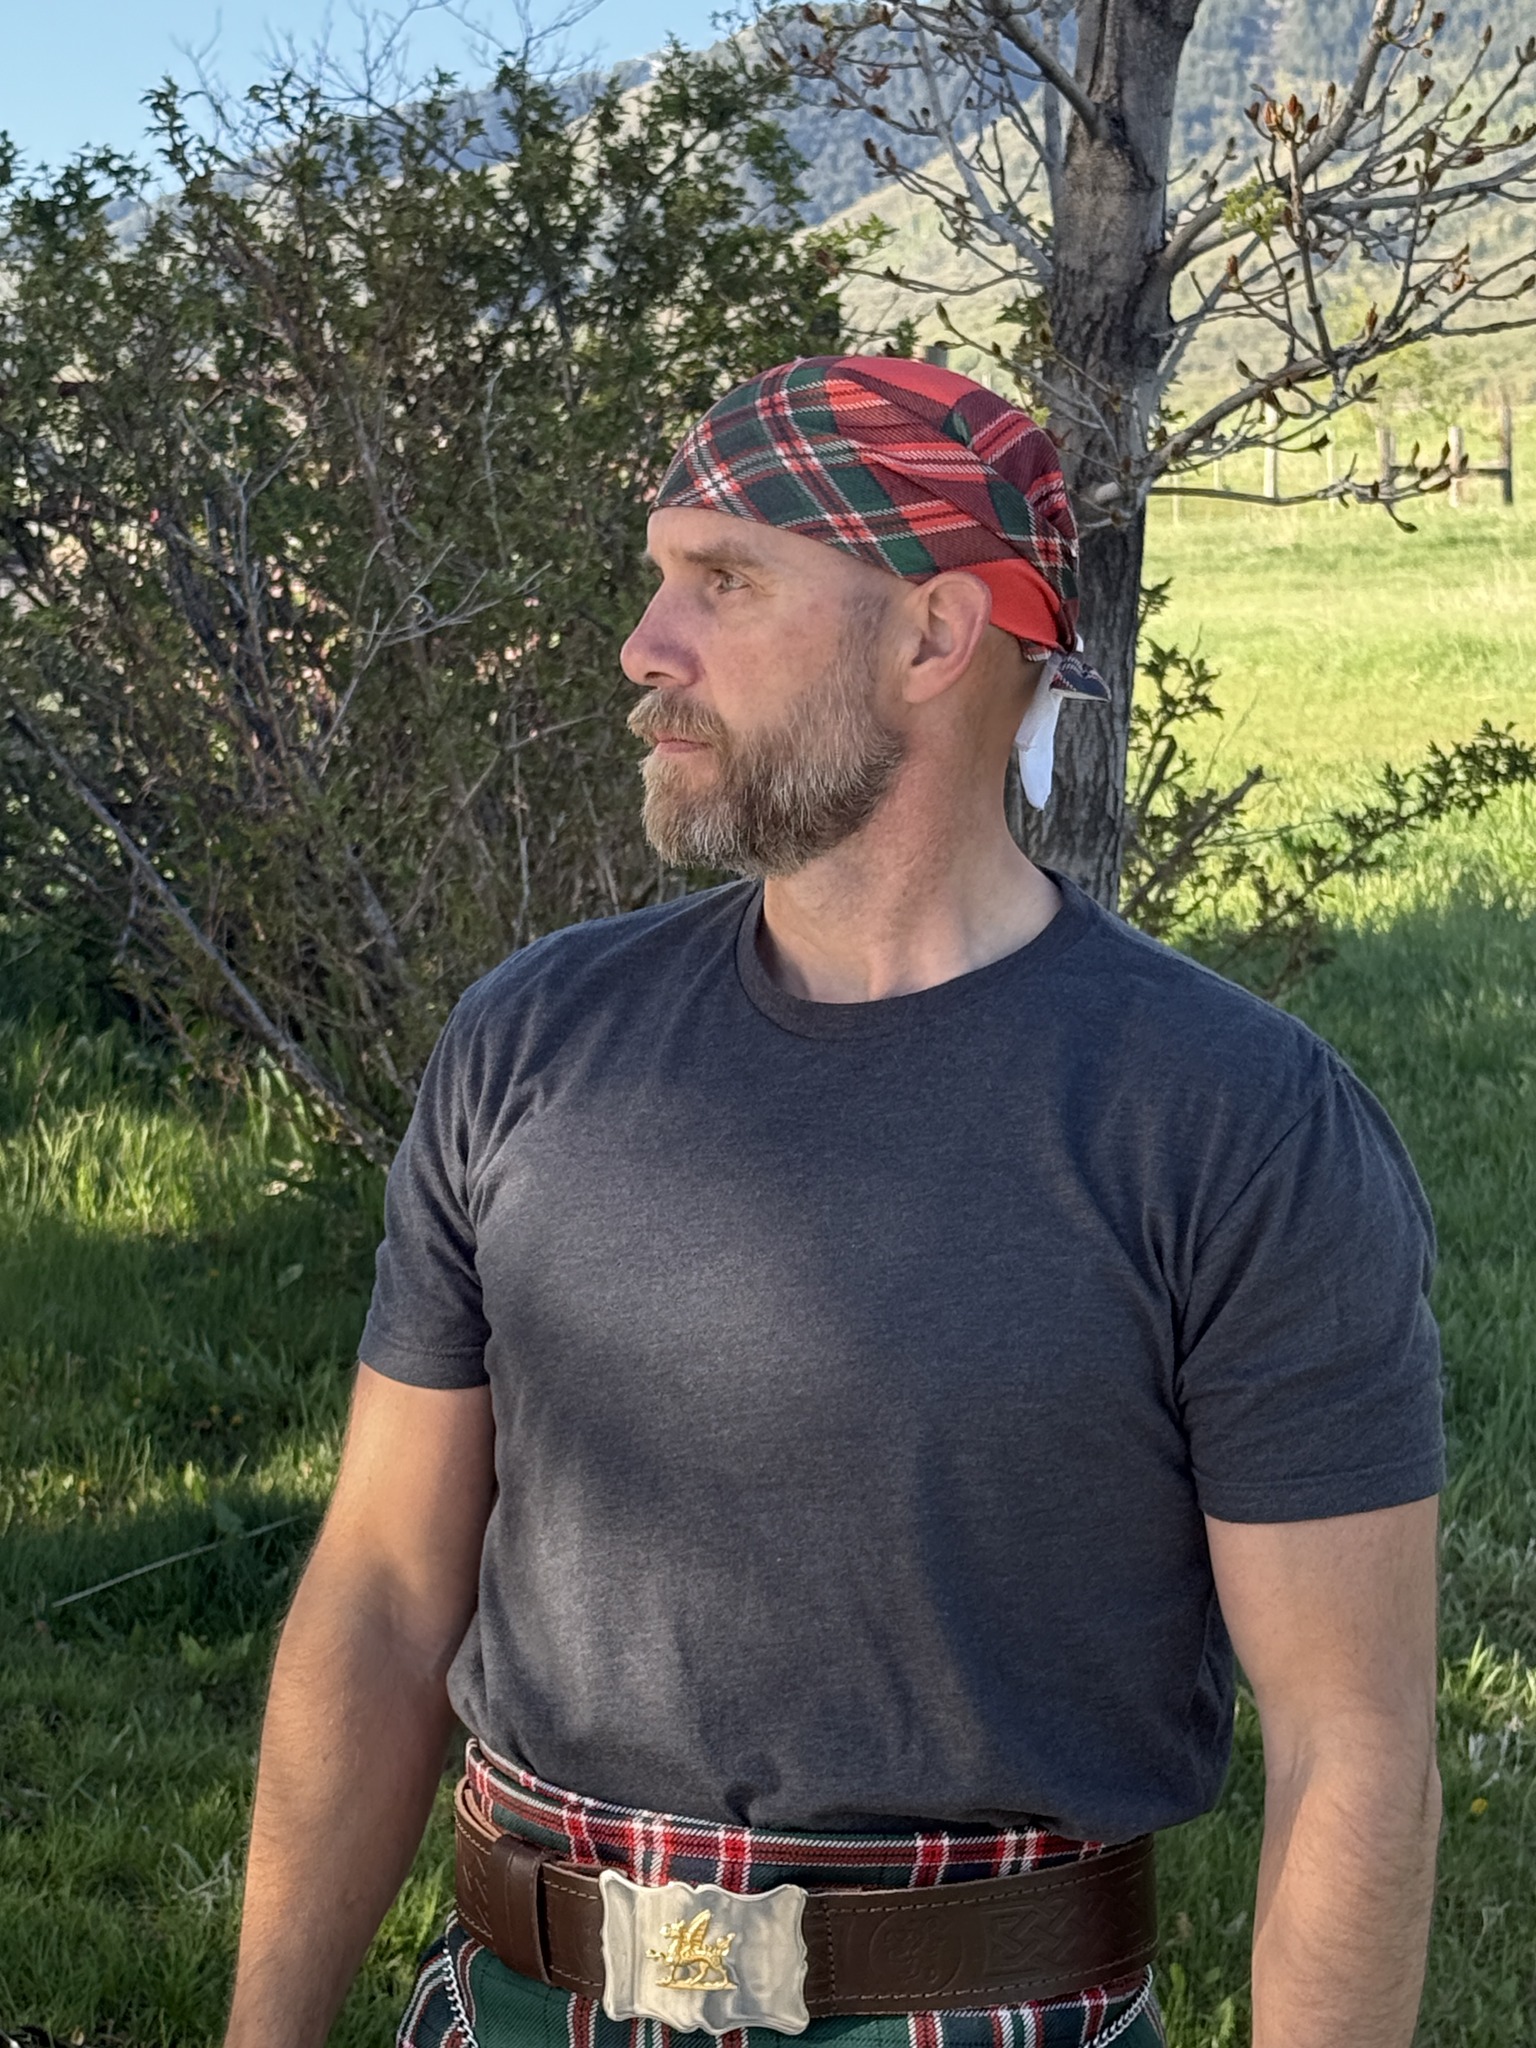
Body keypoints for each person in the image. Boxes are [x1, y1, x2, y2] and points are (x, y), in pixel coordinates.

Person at [224, 356, 1444, 2048]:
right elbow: (379, 1590)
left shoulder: (1233, 1124)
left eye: (725, 582)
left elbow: (1352, 1747)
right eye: (661, 578)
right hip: (512, 2004)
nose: (646, 646)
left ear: (935, 634)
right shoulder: (535, 1042)